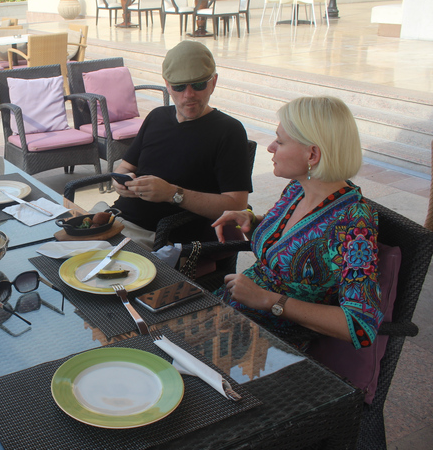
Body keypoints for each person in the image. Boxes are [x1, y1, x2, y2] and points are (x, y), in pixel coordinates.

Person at [212, 96, 382, 350]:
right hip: (228, 313)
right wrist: (252, 222)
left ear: (312, 154)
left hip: (265, 343)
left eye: (280, 141)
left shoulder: (355, 223)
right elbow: (290, 247)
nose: (270, 147)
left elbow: (360, 324)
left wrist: (269, 300)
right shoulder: (297, 189)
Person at [104, 41, 252, 249]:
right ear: (167, 85)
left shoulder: (229, 131)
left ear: (214, 82)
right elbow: (126, 167)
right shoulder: (157, 117)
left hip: (162, 239)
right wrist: (121, 182)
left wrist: (172, 194)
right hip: (116, 222)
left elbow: (237, 205)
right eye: (179, 86)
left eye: (198, 85)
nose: (189, 95)